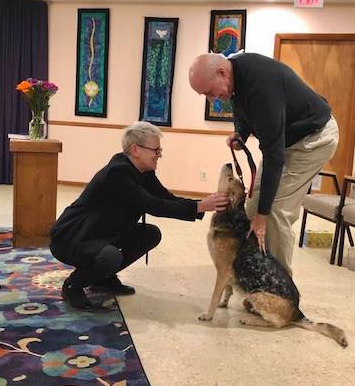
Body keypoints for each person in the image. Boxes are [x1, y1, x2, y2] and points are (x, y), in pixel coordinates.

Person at [50, 121, 229, 310]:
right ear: (136, 149)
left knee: (150, 234)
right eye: (156, 150)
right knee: (110, 257)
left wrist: (200, 204)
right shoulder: (118, 172)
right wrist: (200, 206)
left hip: (101, 231)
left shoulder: (143, 171)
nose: (159, 155)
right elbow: (152, 205)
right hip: (73, 236)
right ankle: (73, 285)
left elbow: (166, 198)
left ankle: (102, 278)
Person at [189, 52, 339, 274]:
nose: (213, 99)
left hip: (314, 139)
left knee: (275, 211)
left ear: (222, 72)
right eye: (206, 95)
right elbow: (242, 107)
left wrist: (262, 217)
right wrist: (241, 132)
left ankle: (278, 288)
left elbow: (274, 158)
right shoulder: (235, 74)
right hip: (286, 140)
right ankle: (257, 273)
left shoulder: (261, 86)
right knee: (253, 205)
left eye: (210, 92)